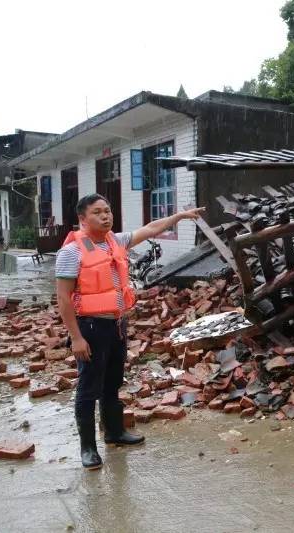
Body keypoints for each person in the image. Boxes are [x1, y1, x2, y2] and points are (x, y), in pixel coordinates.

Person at [56, 194, 204, 469]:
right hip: (90, 326)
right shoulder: (71, 252)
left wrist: (179, 217)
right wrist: (76, 337)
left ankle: (115, 432)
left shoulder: (116, 241)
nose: (105, 216)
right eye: (98, 212)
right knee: (88, 388)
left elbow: (150, 229)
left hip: (117, 324)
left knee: (112, 383)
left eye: (108, 210)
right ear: (82, 219)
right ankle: (88, 448)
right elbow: (64, 299)